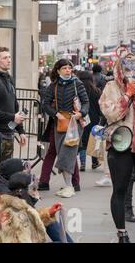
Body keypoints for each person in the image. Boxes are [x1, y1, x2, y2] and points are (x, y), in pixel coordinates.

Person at [99, 46, 135, 243]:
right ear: (120, 69)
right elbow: (110, 114)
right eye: (127, 69)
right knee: (120, 189)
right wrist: (127, 96)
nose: (131, 73)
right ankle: (122, 233)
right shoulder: (110, 87)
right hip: (120, 143)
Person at [0, 159, 72, 243]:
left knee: (51, 222)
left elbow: (29, 218)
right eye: (23, 173)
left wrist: (48, 213)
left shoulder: (15, 197)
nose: (27, 174)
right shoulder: (5, 206)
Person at [42, 59, 89, 198]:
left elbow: (86, 102)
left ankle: (69, 186)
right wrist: (56, 114)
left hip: (74, 124)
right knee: (64, 154)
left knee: (67, 154)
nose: (68, 70)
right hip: (60, 125)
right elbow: (46, 104)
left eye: (69, 68)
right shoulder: (54, 86)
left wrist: (81, 113)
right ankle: (69, 185)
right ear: (58, 70)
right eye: (64, 68)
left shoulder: (77, 83)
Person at [77, 71, 103, 171]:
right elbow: (100, 107)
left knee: (83, 141)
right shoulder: (96, 91)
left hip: (81, 118)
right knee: (94, 139)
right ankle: (94, 162)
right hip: (94, 118)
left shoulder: (78, 91)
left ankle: (82, 163)